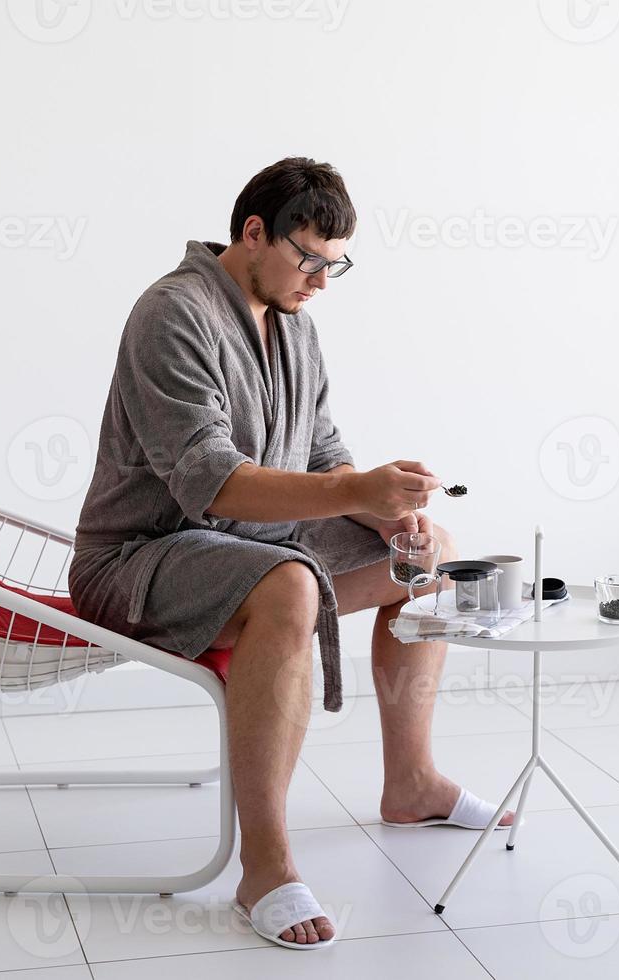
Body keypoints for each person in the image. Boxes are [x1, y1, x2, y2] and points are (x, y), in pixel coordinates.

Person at [70, 157, 511, 950]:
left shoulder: (297, 325)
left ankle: (410, 783)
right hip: (142, 555)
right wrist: (354, 494)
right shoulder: (172, 314)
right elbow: (208, 480)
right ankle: (263, 865)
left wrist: (386, 514)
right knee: (287, 588)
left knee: (431, 555)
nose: (320, 280)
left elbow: (325, 458)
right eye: (307, 258)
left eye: (334, 263)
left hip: (257, 545)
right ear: (252, 233)